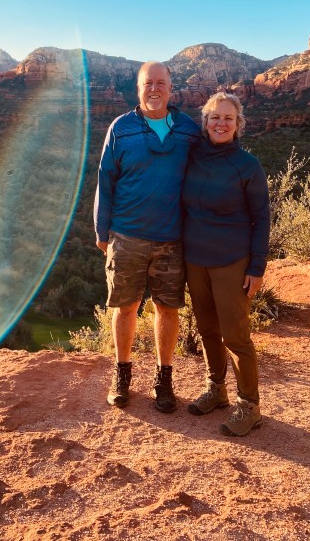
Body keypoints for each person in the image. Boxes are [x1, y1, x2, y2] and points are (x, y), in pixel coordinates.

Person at [94, 61, 199, 412]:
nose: (154, 89)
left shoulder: (188, 130)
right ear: (138, 89)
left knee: (167, 309)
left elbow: (207, 174)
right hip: (127, 235)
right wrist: (101, 229)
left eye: (160, 83)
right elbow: (105, 179)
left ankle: (163, 379)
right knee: (125, 307)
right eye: (147, 83)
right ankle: (122, 375)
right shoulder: (120, 128)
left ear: (171, 88)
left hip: (172, 239)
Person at [182, 92, 270, 436]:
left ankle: (249, 406)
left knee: (235, 336)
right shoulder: (192, 157)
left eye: (228, 118)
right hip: (195, 259)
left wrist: (257, 267)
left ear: (238, 125)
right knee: (207, 329)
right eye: (215, 117)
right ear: (205, 122)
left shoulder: (247, 165)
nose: (221, 123)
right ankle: (216, 390)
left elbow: (262, 218)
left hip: (232, 261)